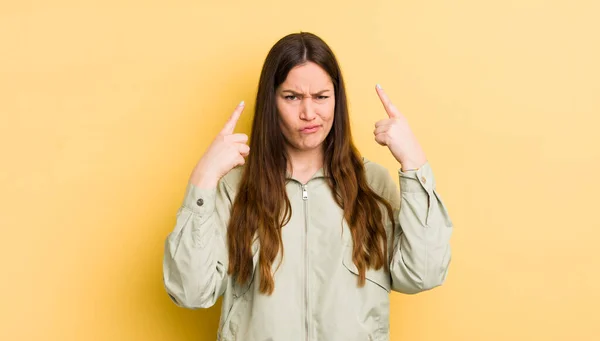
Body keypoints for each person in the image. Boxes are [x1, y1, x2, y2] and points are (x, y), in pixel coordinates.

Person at [162, 32, 454, 341]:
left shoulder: (373, 184)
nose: (308, 113)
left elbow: (423, 274)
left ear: (336, 100)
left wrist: (414, 162)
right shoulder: (235, 188)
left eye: (321, 97)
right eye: (292, 97)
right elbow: (191, 292)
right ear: (271, 102)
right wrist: (203, 179)